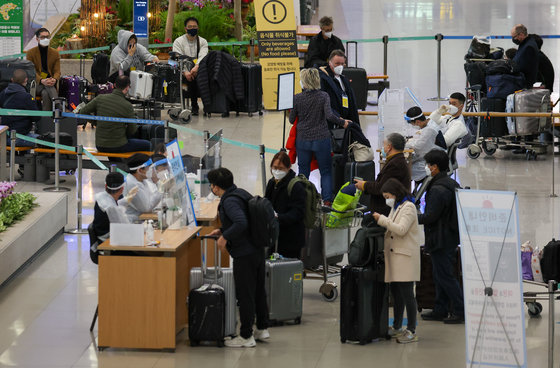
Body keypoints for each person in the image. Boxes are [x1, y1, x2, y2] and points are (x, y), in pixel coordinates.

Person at [206, 168, 269, 348]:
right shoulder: (240, 193)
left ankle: (246, 335)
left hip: (244, 253)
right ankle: (262, 328)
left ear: (216, 187)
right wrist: (223, 230)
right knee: (258, 290)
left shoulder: (229, 202)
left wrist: (225, 238)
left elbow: (241, 222)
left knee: (245, 294)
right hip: (256, 249)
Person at [289, 68, 350, 205]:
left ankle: (303, 200)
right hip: (322, 138)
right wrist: (343, 122)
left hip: (303, 139)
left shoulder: (297, 98)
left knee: (303, 171)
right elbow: (329, 116)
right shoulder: (323, 96)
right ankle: (327, 201)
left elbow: (292, 120)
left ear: (303, 81)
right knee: (326, 171)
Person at [418, 149, 464, 324]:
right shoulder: (450, 183)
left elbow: (430, 216)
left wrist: (410, 216)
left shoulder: (438, 189)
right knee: (440, 274)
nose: (427, 167)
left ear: (435, 167)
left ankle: (460, 310)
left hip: (440, 238)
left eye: (428, 165)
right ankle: (440, 308)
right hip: (450, 236)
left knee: (445, 276)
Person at [373, 178, 421, 343]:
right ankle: (398, 325)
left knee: (408, 294)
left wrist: (382, 219)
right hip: (395, 257)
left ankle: (412, 330)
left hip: (405, 257)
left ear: (395, 193)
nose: (387, 199)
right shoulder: (397, 206)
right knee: (397, 294)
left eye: (387, 196)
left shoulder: (409, 207)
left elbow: (401, 229)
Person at [79, 75, 150, 153]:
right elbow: (132, 130)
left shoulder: (100, 98)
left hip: (100, 145)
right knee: (148, 144)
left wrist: (96, 123)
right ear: (127, 88)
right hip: (119, 146)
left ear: (114, 85)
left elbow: (83, 112)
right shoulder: (127, 105)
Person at [354, 133, 411, 216]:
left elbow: (381, 188)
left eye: (384, 145)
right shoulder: (396, 160)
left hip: (386, 212)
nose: (383, 148)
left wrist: (364, 185)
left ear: (389, 147)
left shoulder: (395, 164)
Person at [264, 151, 306, 259]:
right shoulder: (272, 183)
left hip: (291, 238)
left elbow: (298, 213)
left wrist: (279, 217)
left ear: (288, 168)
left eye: (281, 168)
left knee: (288, 272)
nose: (277, 171)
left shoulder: (296, 186)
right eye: (275, 167)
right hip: (274, 236)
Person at [172, 16, 209, 115]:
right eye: (190, 26)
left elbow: (203, 55)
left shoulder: (203, 41)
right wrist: (185, 71)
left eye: (194, 26)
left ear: (198, 28)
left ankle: (207, 106)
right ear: (185, 29)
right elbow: (177, 58)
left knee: (201, 77)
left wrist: (196, 67)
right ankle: (194, 106)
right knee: (191, 79)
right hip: (183, 71)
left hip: (198, 69)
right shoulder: (178, 41)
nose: (192, 28)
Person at [319, 50, 361, 127]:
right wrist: (339, 119)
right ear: (330, 63)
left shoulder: (344, 79)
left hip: (346, 121)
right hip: (332, 123)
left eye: (342, 64)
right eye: (337, 63)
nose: (340, 66)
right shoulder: (323, 78)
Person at [0, 69, 41, 146]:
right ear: (26, 80)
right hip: (19, 137)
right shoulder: (27, 97)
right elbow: (36, 117)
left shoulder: (3, 93)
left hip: (4, 136)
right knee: (45, 140)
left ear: (12, 79)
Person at [404, 106, 443, 184]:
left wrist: (404, 143)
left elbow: (417, 146)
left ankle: (404, 194)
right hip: (427, 156)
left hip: (431, 162)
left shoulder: (429, 130)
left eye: (411, 123)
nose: (412, 125)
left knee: (404, 171)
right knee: (405, 164)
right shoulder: (428, 123)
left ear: (418, 122)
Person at [92, 172, 134, 244]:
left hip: (102, 235)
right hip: (107, 240)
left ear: (106, 186)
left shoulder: (101, 197)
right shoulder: (111, 208)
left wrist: (126, 199)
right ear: (122, 189)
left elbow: (116, 204)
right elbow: (124, 228)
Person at [122, 153, 163, 223]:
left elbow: (150, 198)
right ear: (140, 170)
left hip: (142, 219)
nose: (152, 171)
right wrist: (161, 189)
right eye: (149, 168)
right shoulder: (132, 185)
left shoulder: (143, 180)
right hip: (133, 223)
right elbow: (146, 208)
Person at [26, 28, 60, 111]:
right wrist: (41, 80)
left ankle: (46, 118)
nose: (45, 39)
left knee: (45, 93)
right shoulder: (30, 53)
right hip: (36, 83)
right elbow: (31, 71)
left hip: (50, 82)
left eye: (47, 37)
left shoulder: (55, 53)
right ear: (37, 39)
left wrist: (54, 79)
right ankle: (58, 105)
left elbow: (57, 71)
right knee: (47, 87)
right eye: (42, 37)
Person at [511, 24, 539, 88]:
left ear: (521, 34)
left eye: (514, 37)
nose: (513, 39)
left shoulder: (529, 47)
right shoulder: (525, 44)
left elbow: (523, 67)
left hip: (525, 84)